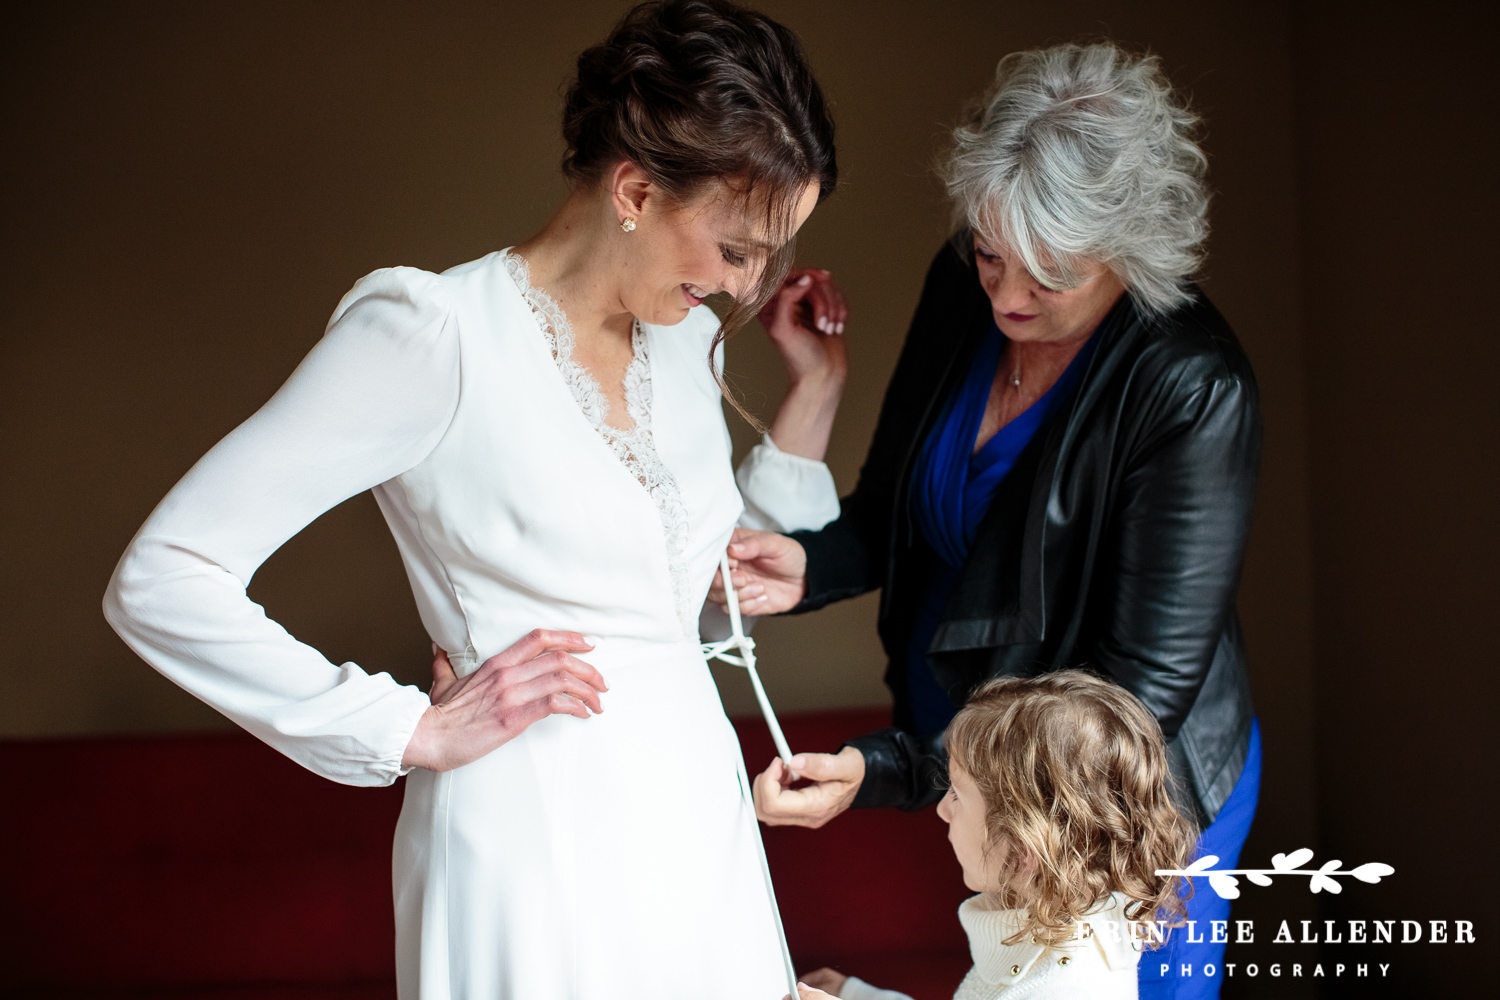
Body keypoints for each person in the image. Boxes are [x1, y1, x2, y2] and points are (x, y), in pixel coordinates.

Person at [102, 3, 847, 997]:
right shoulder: (433, 333)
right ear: (634, 188)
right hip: (531, 835)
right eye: (740, 247)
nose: (752, 287)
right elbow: (164, 576)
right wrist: (402, 728)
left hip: (695, 826)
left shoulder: (677, 340)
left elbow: (703, 594)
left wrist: (817, 391)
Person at [716, 42, 1262, 999]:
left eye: (1048, 275)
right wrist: (812, 564)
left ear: (1128, 261)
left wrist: (895, 769)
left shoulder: (1192, 386)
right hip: (977, 768)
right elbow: (898, 507)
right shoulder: (969, 285)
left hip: (1114, 787)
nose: (1006, 296)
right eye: (991, 253)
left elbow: (1129, 697)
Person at [795, 671, 1197, 1000]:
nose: (942, 809)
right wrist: (860, 995)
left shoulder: (1063, 989)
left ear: (1024, 847)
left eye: (956, 793)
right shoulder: (1045, 913)